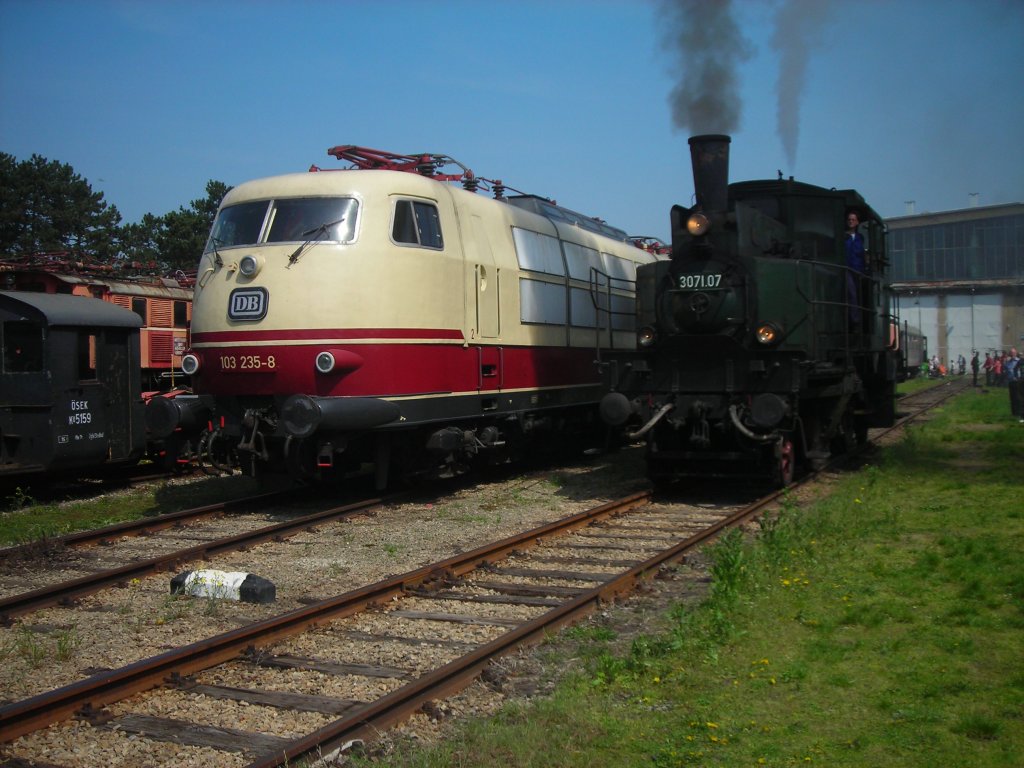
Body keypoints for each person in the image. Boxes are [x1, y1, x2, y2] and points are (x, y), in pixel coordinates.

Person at [845, 211, 867, 328]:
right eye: (849, 219)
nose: (851, 221)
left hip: (858, 269)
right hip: (847, 268)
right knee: (852, 293)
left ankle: (857, 319)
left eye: (853, 220)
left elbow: (861, 255)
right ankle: (854, 320)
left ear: (857, 222)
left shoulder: (860, 238)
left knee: (857, 294)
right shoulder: (844, 237)